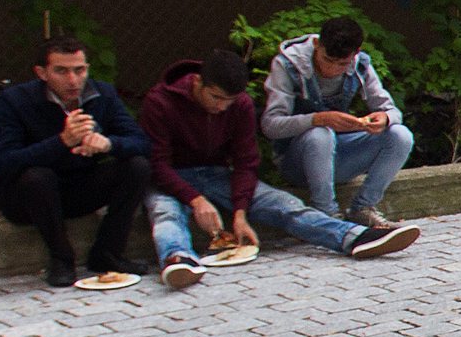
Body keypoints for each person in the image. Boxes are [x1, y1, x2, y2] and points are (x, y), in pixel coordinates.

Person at [139, 50, 415, 289]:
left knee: (285, 204)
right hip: (169, 178)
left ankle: (352, 237)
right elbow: (157, 165)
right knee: (166, 213)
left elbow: (246, 161)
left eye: (229, 101)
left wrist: (240, 213)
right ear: (198, 82)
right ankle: (178, 260)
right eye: (215, 98)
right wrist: (196, 200)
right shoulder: (160, 102)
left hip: (217, 174)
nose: (221, 107)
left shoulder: (241, 105)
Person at [0, 35, 152, 288]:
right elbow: (7, 163)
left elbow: (142, 142)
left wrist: (108, 144)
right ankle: (62, 259)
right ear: (42, 73)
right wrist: (61, 141)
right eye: (61, 71)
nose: (73, 80)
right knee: (37, 177)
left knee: (137, 166)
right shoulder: (15, 100)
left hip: (80, 188)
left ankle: (108, 253)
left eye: (80, 70)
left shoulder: (103, 94)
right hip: (32, 198)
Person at [263, 14, 421, 241]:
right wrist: (317, 119)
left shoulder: (361, 64)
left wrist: (384, 119)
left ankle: (362, 209)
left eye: (342, 64)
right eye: (328, 60)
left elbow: (392, 111)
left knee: (400, 135)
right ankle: (326, 214)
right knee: (320, 134)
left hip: (338, 154)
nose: (334, 69)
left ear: (355, 53)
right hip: (297, 161)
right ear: (317, 45)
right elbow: (270, 125)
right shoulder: (287, 65)